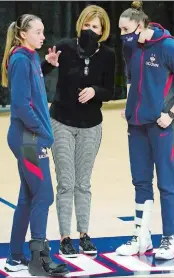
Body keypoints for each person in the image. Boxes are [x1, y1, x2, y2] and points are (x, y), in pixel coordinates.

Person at [116, 1, 174, 260]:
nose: (122, 34)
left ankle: (169, 239)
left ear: (141, 25)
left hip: (165, 124)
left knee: (166, 183)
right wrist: (131, 105)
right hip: (137, 124)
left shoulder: (168, 47)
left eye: (125, 28)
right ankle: (142, 237)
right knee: (140, 181)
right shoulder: (130, 45)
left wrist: (171, 113)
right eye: (119, 29)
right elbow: (131, 76)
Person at [41, 5, 115, 257]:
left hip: (91, 126)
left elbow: (111, 91)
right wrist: (48, 64)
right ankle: (64, 238)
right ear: (79, 25)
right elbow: (40, 71)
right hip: (61, 121)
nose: (90, 30)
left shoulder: (108, 55)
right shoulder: (65, 46)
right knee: (66, 182)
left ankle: (84, 234)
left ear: (103, 31)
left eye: (95, 27)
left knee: (83, 183)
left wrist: (95, 91)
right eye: (87, 25)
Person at [1, 14, 69, 276]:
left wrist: (47, 65)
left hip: (28, 136)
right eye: (38, 32)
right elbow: (20, 105)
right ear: (22, 35)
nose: (43, 36)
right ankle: (38, 260)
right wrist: (44, 133)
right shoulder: (20, 59)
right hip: (28, 138)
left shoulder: (28, 57)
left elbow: (32, 83)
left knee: (28, 197)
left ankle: (15, 257)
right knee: (44, 195)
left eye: (43, 31)